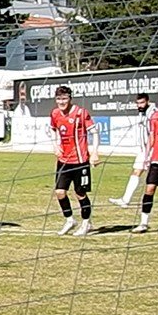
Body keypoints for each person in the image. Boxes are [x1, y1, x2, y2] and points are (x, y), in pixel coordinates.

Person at [49, 85, 100, 236]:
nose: (61, 102)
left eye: (64, 98)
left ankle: (86, 223)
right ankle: (70, 220)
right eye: (58, 99)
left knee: (80, 193)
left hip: (80, 161)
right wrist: (55, 145)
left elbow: (94, 132)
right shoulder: (55, 113)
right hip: (64, 160)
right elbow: (52, 129)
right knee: (59, 192)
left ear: (70, 98)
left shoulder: (81, 113)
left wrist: (95, 152)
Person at [130, 88, 158, 234]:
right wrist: (146, 155)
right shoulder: (156, 116)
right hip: (157, 159)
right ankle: (143, 223)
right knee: (149, 190)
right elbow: (152, 136)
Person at [109, 93, 150, 209]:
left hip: (152, 150)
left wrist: (148, 151)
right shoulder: (141, 114)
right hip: (143, 150)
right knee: (136, 172)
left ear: (147, 101)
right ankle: (125, 200)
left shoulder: (152, 113)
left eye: (142, 102)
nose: (140, 105)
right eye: (138, 103)